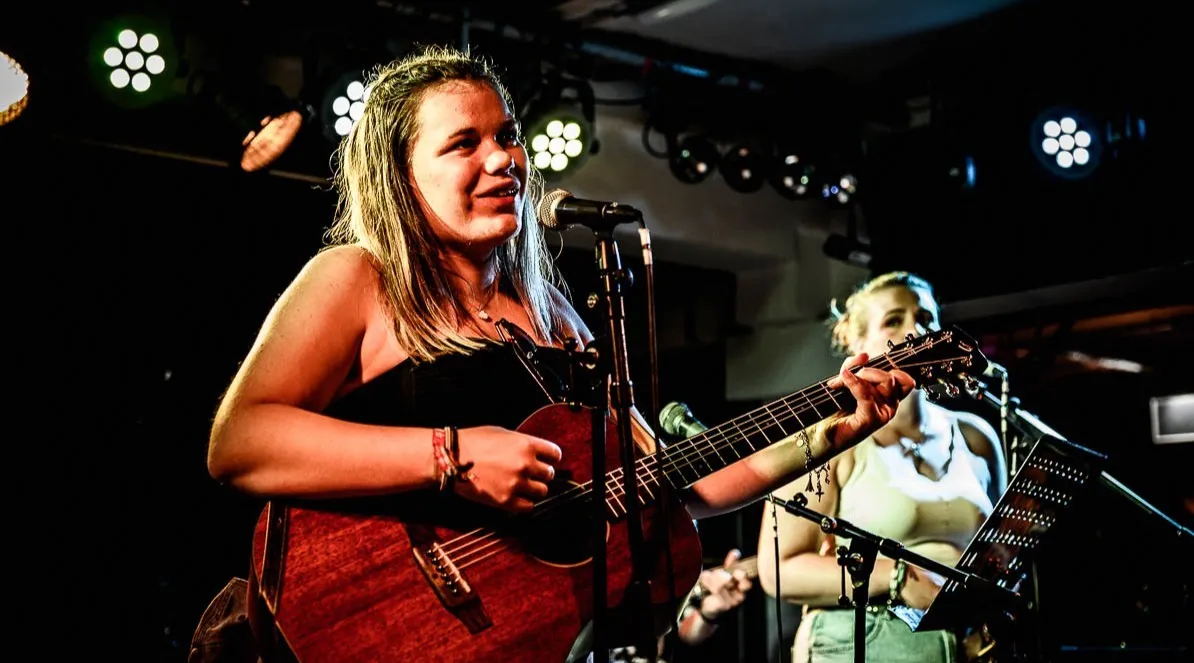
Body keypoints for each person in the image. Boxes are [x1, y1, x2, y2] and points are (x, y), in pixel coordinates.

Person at [205, 44, 914, 662]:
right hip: (377, 617)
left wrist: (827, 432)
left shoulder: (555, 314)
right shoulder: (359, 279)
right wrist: (452, 455)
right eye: (464, 143)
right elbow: (240, 442)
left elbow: (672, 485)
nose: (503, 159)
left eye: (508, 135)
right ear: (401, 172)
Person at [756, 271, 1008, 663]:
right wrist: (897, 577)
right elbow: (778, 569)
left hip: (963, 645)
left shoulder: (976, 435)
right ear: (857, 344)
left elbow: (998, 546)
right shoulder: (829, 439)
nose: (915, 330)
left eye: (925, 318)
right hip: (866, 639)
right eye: (894, 320)